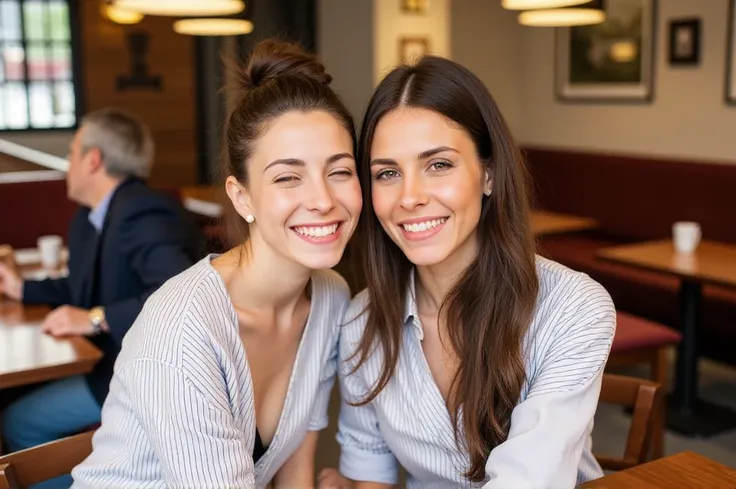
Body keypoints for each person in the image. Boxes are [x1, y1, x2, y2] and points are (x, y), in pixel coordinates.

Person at [71, 38, 362, 489]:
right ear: (241, 196)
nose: (323, 200)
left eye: (340, 171)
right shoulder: (185, 327)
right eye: (288, 177)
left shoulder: (330, 297)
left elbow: (294, 470)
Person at [319, 56, 616, 489]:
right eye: (387, 173)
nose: (410, 197)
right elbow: (371, 475)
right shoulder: (362, 323)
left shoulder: (572, 309)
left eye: (438, 164)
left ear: (489, 174)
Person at [0, 108, 204, 488]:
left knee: (15, 422)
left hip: (138, 372)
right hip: (105, 361)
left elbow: (181, 292)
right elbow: (81, 287)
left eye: (72, 152)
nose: (67, 164)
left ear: (93, 160)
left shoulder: (142, 211)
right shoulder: (92, 215)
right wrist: (22, 289)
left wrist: (97, 317)